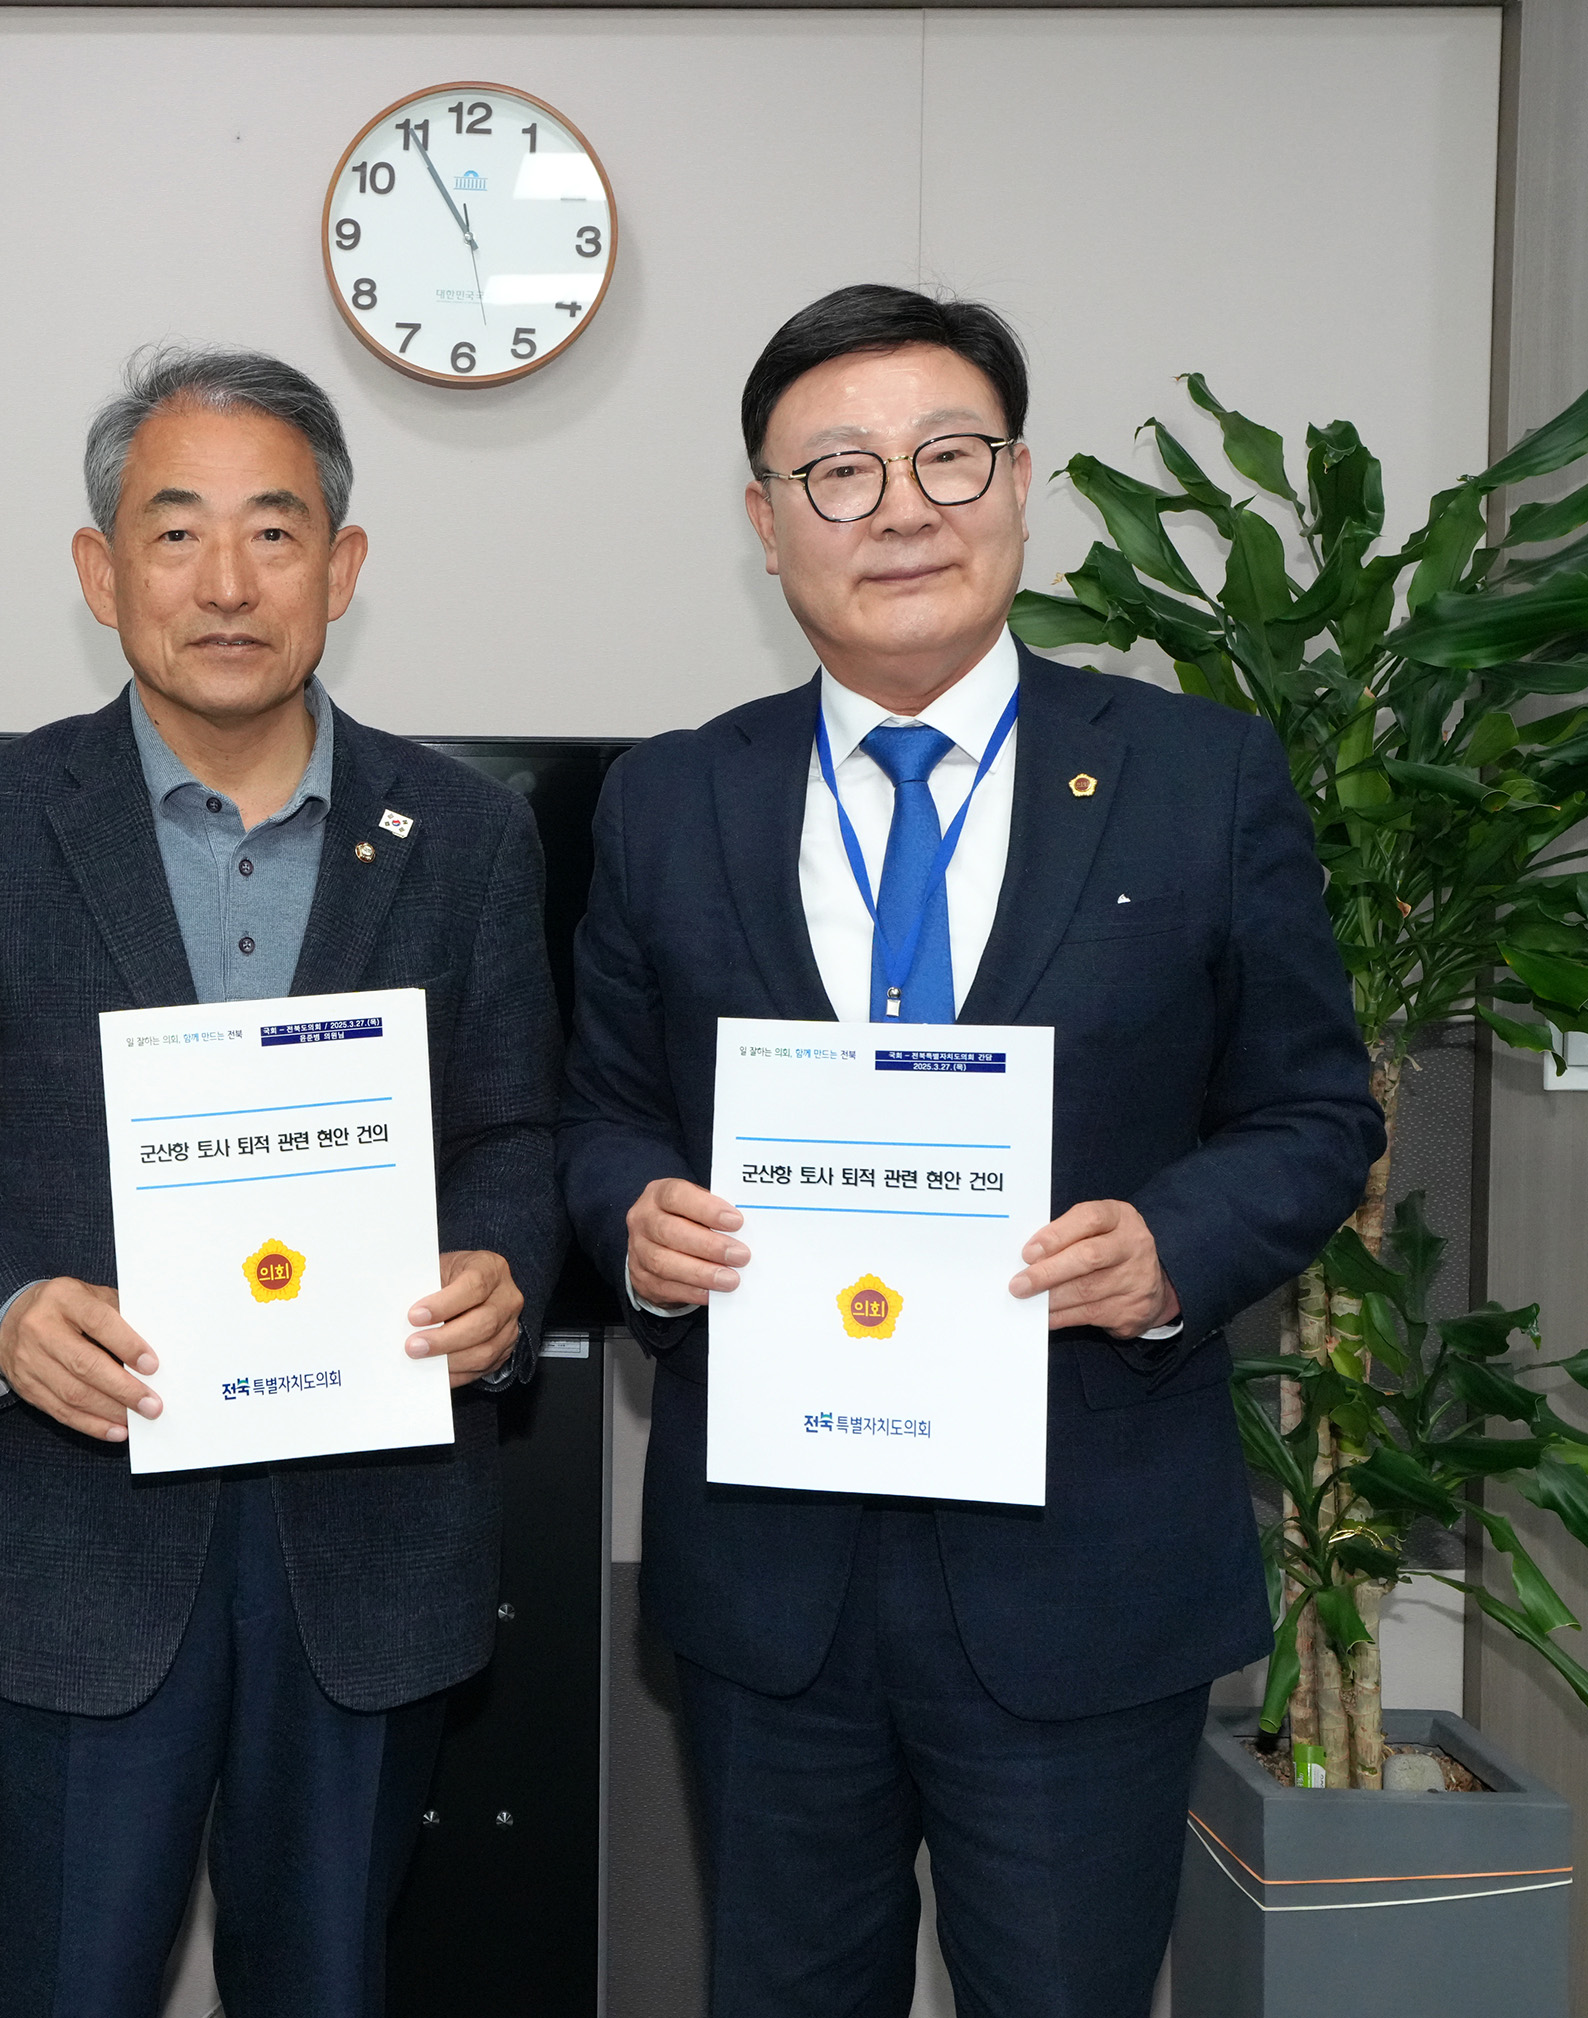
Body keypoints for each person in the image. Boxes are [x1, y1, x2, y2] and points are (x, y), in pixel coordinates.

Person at [558, 286, 1382, 2015]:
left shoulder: (1197, 777)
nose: (906, 507)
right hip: (775, 1589)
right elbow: (605, 1107)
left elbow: (1316, 1111)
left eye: (949, 455)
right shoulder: (671, 798)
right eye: (841, 472)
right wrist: (636, 1221)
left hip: (1085, 1575)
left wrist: (1175, 1249)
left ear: (1022, 483)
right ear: (767, 521)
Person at [0, 346, 566, 2017]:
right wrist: (3, 1311)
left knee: (330, 1984)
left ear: (345, 567)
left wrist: (503, 1270)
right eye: (176, 534)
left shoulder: (462, 833)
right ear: (102, 574)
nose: (227, 583)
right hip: (80, 1542)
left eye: (276, 531)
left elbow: (519, 1130)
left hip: (370, 1554)